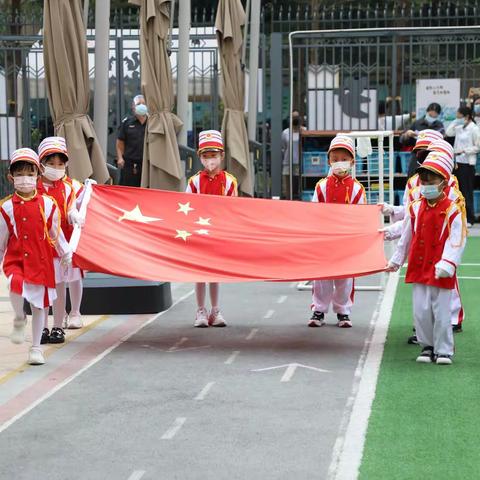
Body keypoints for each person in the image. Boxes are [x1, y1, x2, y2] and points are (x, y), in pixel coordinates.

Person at [387, 151, 466, 365]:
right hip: (419, 265)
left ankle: (443, 350)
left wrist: (448, 263)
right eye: (423, 180)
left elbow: (457, 239)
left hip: (440, 266)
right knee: (420, 309)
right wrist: (396, 259)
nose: (426, 184)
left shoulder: (452, 208)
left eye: (431, 180)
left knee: (441, 311)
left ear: (443, 181)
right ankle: (427, 346)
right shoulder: (415, 206)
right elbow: (406, 235)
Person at [1, 148, 71, 365]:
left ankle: (36, 349)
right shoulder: (5, 207)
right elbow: (2, 238)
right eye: (20, 174)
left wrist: (65, 251)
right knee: (15, 284)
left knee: (39, 304)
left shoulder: (47, 204)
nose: (25, 179)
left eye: (30, 175)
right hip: (16, 258)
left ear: (37, 176)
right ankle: (20, 318)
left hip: (41, 260)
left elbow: (55, 232)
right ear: (11, 177)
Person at [309, 135, 365, 328]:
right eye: (335, 159)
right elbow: (314, 211)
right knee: (322, 276)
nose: (339, 163)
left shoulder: (357, 189)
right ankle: (318, 309)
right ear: (329, 161)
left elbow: (361, 216)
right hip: (325, 240)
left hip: (346, 241)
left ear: (352, 162)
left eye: (344, 159)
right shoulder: (321, 186)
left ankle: (343, 311)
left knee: (345, 276)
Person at [186, 130, 238, 328]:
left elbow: (233, 208)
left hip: (219, 233)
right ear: (199, 157)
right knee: (199, 273)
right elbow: (186, 207)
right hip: (200, 233)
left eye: (214, 155)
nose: (210, 160)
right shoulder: (194, 182)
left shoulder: (230, 181)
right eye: (206, 156)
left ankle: (215, 310)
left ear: (222, 155)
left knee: (215, 273)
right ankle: (200, 310)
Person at [37, 137, 85, 344]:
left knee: (63, 282)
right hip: (39, 246)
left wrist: (74, 215)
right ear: (41, 164)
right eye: (51, 164)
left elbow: (72, 207)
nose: (56, 168)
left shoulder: (68, 187)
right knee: (41, 289)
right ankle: (42, 327)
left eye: (60, 164)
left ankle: (66, 318)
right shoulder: (34, 186)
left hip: (63, 244)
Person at [446, 106, 480, 227]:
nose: (457, 118)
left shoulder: (474, 129)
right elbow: (449, 132)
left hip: (467, 163)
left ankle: (470, 218)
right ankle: (459, 216)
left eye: (459, 116)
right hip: (457, 163)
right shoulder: (459, 127)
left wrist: (464, 150)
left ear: (466, 116)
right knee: (457, 190)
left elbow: (478, 146)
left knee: (467, 191)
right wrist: (455, 121)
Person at [400, 102, 445, 177]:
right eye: (430, 115)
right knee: (414, 178)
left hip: (433, 157)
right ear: (427, 112)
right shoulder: (417, 123)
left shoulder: (439, 125)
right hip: (417, 156)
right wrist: (407, 135)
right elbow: (403, 140)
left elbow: (443, 141)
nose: (432, 116)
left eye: (435, 115)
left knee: (431, 179)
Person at [116, 94, 148, 187]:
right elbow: (120, 142)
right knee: (127, 191)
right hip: (130, 165)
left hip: (146, 165)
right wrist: (120, 158)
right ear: (133, 107)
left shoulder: (151, 123)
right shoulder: (127, 123)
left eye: (143, 103)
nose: (141, 106)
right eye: (138, 104)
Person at [281, 109, 306, 199]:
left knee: (299, 184)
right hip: (288, 161)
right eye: (293, 117)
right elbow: (284, 146)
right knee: (287, 185)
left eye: (296, 117)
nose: (295, 119)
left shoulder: (304, 131)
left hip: (300, 162)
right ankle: (287, 199)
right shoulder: (285, 133)